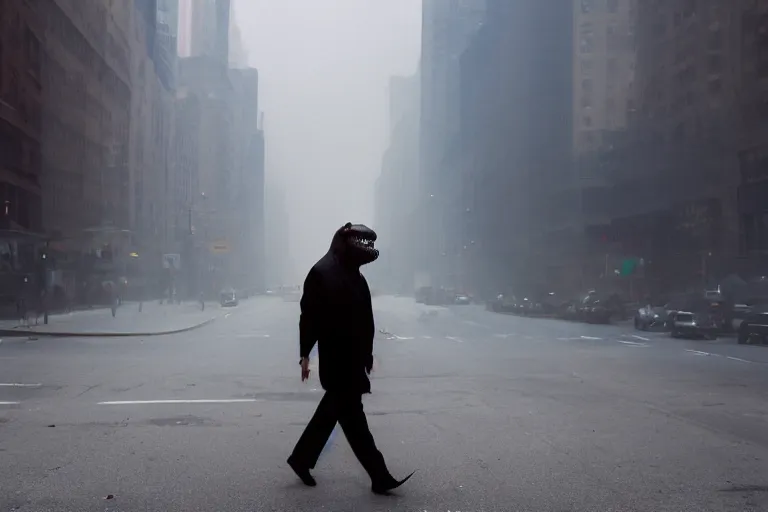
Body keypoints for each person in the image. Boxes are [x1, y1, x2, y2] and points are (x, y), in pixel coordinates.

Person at [287, 222, 414, 494]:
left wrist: (367, 354)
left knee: (337, 416)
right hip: (337, 360)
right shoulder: (321, 274)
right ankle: (379, 475)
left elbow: (366, 320)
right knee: (353, 420)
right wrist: (305, 354)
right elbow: (309, 317)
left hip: (353, 360)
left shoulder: (357, 278)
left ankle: (302, 459)